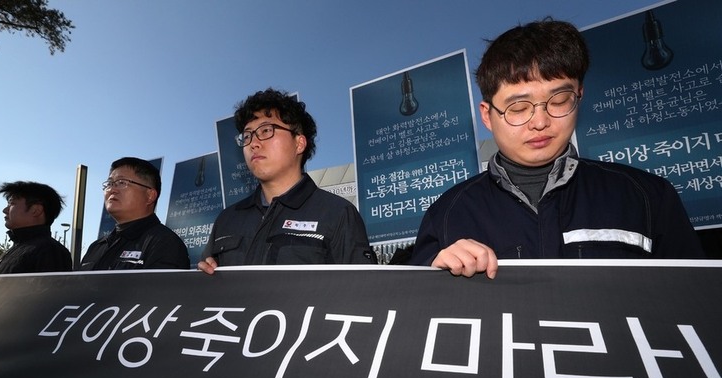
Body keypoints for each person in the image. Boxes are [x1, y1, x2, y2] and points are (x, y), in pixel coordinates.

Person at [411, 19, 705, 278]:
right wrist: (433, 279)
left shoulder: (648, 196)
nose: (540, 122)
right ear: (487, 115)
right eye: (518, 107)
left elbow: (697, 308)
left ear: (579, 96)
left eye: (559, 100)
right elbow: (414, 315)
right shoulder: (447, 214)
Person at [198, 88, 375, 273]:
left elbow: (360, 292)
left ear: (299, 143)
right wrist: (205, 279)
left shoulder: (337, 214)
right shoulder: (227, 219)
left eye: (266, 130)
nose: (253, 143)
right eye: (247, 135)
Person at [80, 157, 190, 270]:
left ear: (150, 195)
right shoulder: (96, 247)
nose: (112, 189)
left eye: (121, 182)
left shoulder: (165, 244)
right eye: (109, 183)